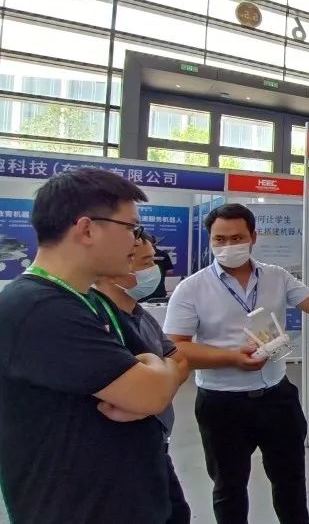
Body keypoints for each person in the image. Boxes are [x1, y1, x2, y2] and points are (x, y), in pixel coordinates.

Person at [0, 167, 189, 524]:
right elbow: (152, 393)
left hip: (133, 497)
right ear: (87, 229)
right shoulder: (37, 308)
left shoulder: (92, 300)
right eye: (131, 228)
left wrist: (150, 377)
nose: (137, 242)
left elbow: (166, 369)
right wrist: (148, 378)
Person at [164, 203, 309, 524]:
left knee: (291, 482)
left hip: (277, 398)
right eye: (220, 239)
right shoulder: (192, 288)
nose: (228, 246)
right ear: (210, 240)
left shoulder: (276, 276)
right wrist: (232, 357)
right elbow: (175, 348)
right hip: (221, 404)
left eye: (237, 238)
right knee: (229, 489)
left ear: (253, 237)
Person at [94, 233, 191, 524]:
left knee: (177, 513)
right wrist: (157, 384)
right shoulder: (98, 321)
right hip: (121, 457)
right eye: (145, 262)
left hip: (156, 445)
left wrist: (158, 386)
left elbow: (180, 361)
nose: (154, 270)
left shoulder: (141, 314)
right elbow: (137, 393)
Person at [144, 237, 175, 302]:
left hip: (144, 293)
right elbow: (170, 271)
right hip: (159, 292)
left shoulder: (137, 254)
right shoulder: (163, 254)